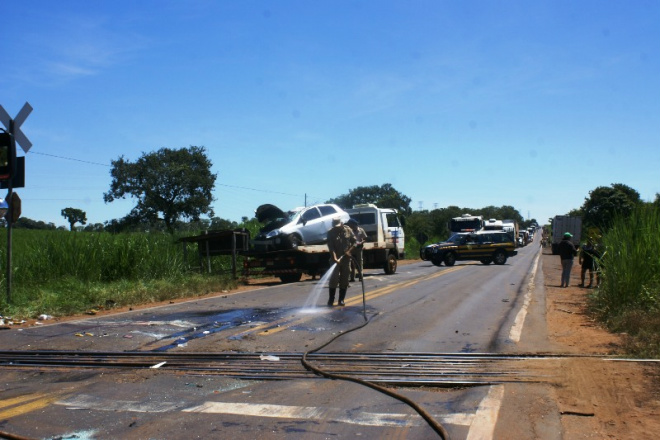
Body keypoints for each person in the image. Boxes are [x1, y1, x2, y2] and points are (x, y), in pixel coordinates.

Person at [326, 216, 356, 306]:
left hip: (346, 259)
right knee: (334, 278)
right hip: (334, 259)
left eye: (338, 226)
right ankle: (331, 299)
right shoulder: (330, 232)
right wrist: (335, 258)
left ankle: (341, 299)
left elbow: (355, 242)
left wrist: (349, 251)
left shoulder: (348, 230)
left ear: (341, 224)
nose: (336, 228)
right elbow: (331, 247)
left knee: (345, 279)